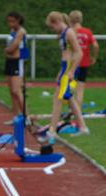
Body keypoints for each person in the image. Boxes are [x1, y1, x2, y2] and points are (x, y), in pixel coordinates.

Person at [46, 12, 89, 142]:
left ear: (56, 22)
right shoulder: (64, 33)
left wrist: (71, 71)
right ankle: (83, 127)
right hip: (66, 67)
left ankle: (52, 130)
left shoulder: (69, 33)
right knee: (68, 98)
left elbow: (79, 53)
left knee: (57, 98)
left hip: (69, 68)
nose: (52, 30)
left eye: (52, 27)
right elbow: (66, 54)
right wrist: (61, 71)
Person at [69, 10, 99, 108]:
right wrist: (93, 57)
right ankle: (78, 112)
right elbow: (95, 45)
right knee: (80, 89)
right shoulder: (87, 32)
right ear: (81, 19)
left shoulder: (70, 32)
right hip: (84, 63)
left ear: (70, 19)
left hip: (72, 63)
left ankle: (72, 110)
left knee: (70, 87)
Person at [4, 11, 28, 124]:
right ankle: (15, 117)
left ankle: (26, 116)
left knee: (16, 90)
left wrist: (7, 50)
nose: (10, 24)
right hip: (9, 61)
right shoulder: (12, 31)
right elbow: (10, 48)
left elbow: (12, 47)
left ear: (18, 20)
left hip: (17, 61)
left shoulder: (21, 31)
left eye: (12, 21)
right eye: (8, 21)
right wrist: (8, 51)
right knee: (11, 92)